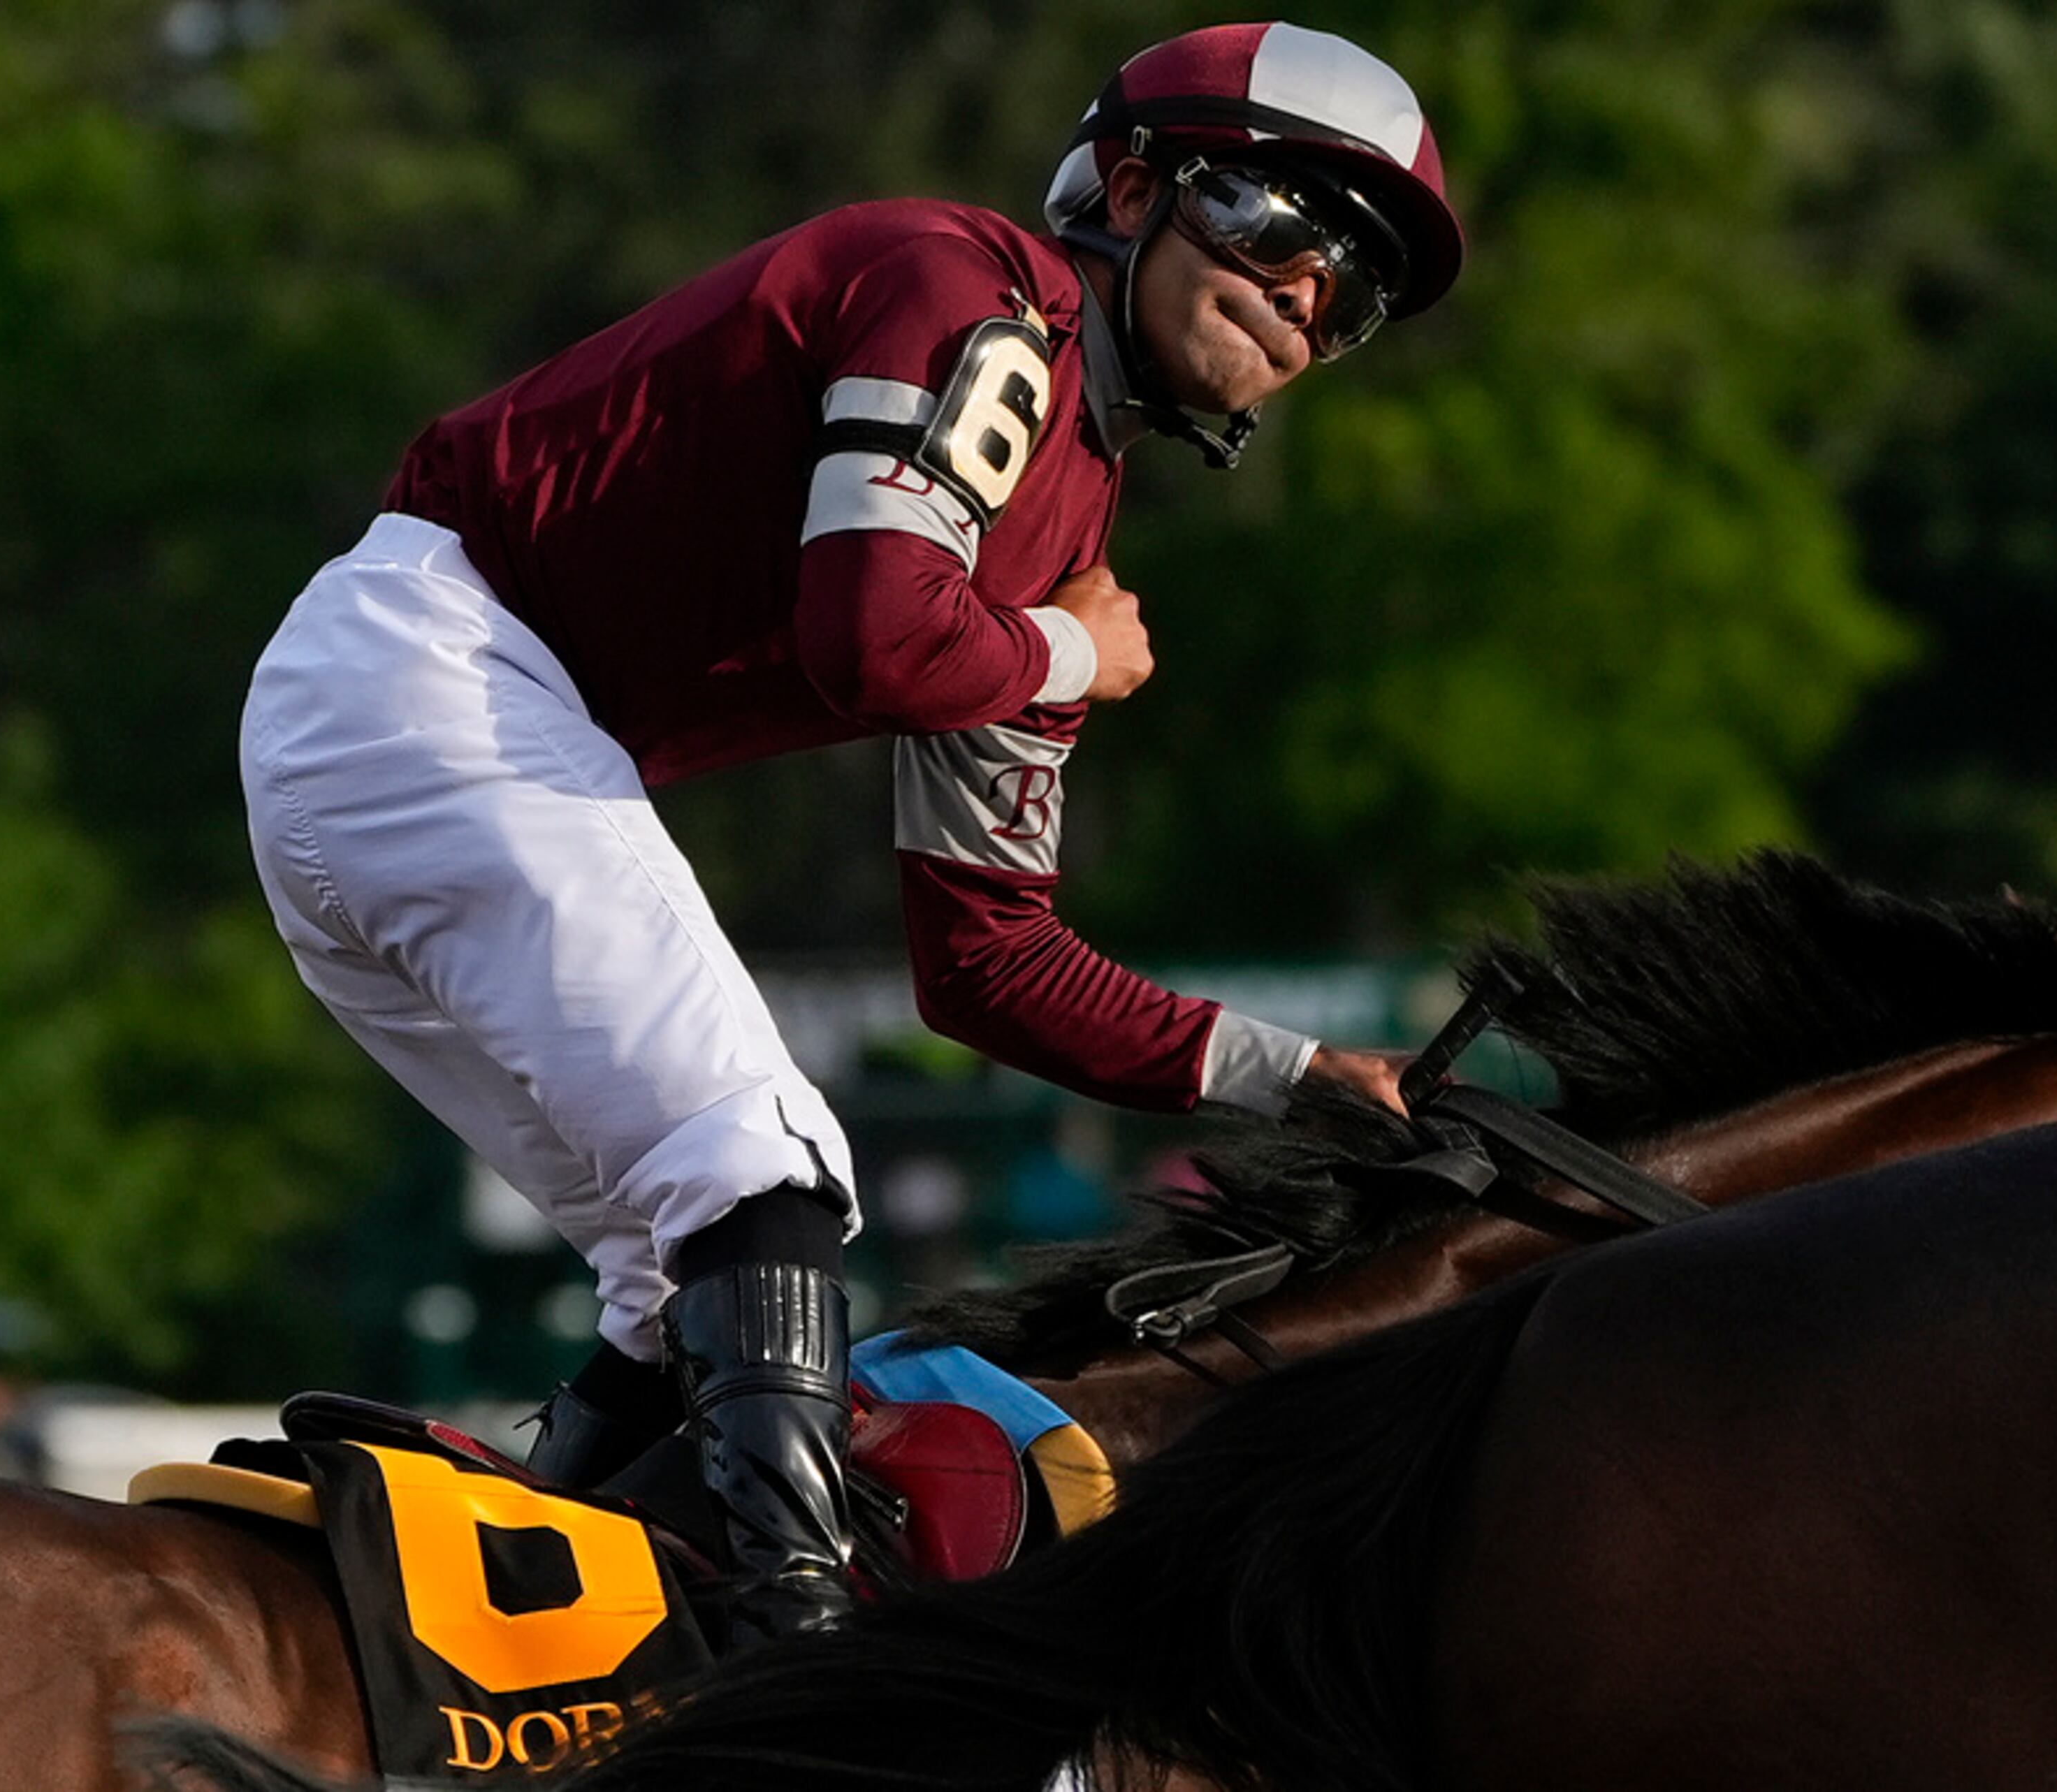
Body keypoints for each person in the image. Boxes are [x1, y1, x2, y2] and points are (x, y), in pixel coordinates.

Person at [236, 20, 1462, 1653]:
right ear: (1131, 182)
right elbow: (876, 635)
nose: (1307, 292)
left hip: (408, 729)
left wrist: (1294, 1076)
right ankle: (795, 1672)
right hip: (431, 679)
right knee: (765, 1168)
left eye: (1353, 286)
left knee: (684, 1285)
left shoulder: (1061, 530)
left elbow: (989, 965)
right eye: (1279, 224)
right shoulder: (972, 287)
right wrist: (1078, 653)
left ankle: (538, 1687)